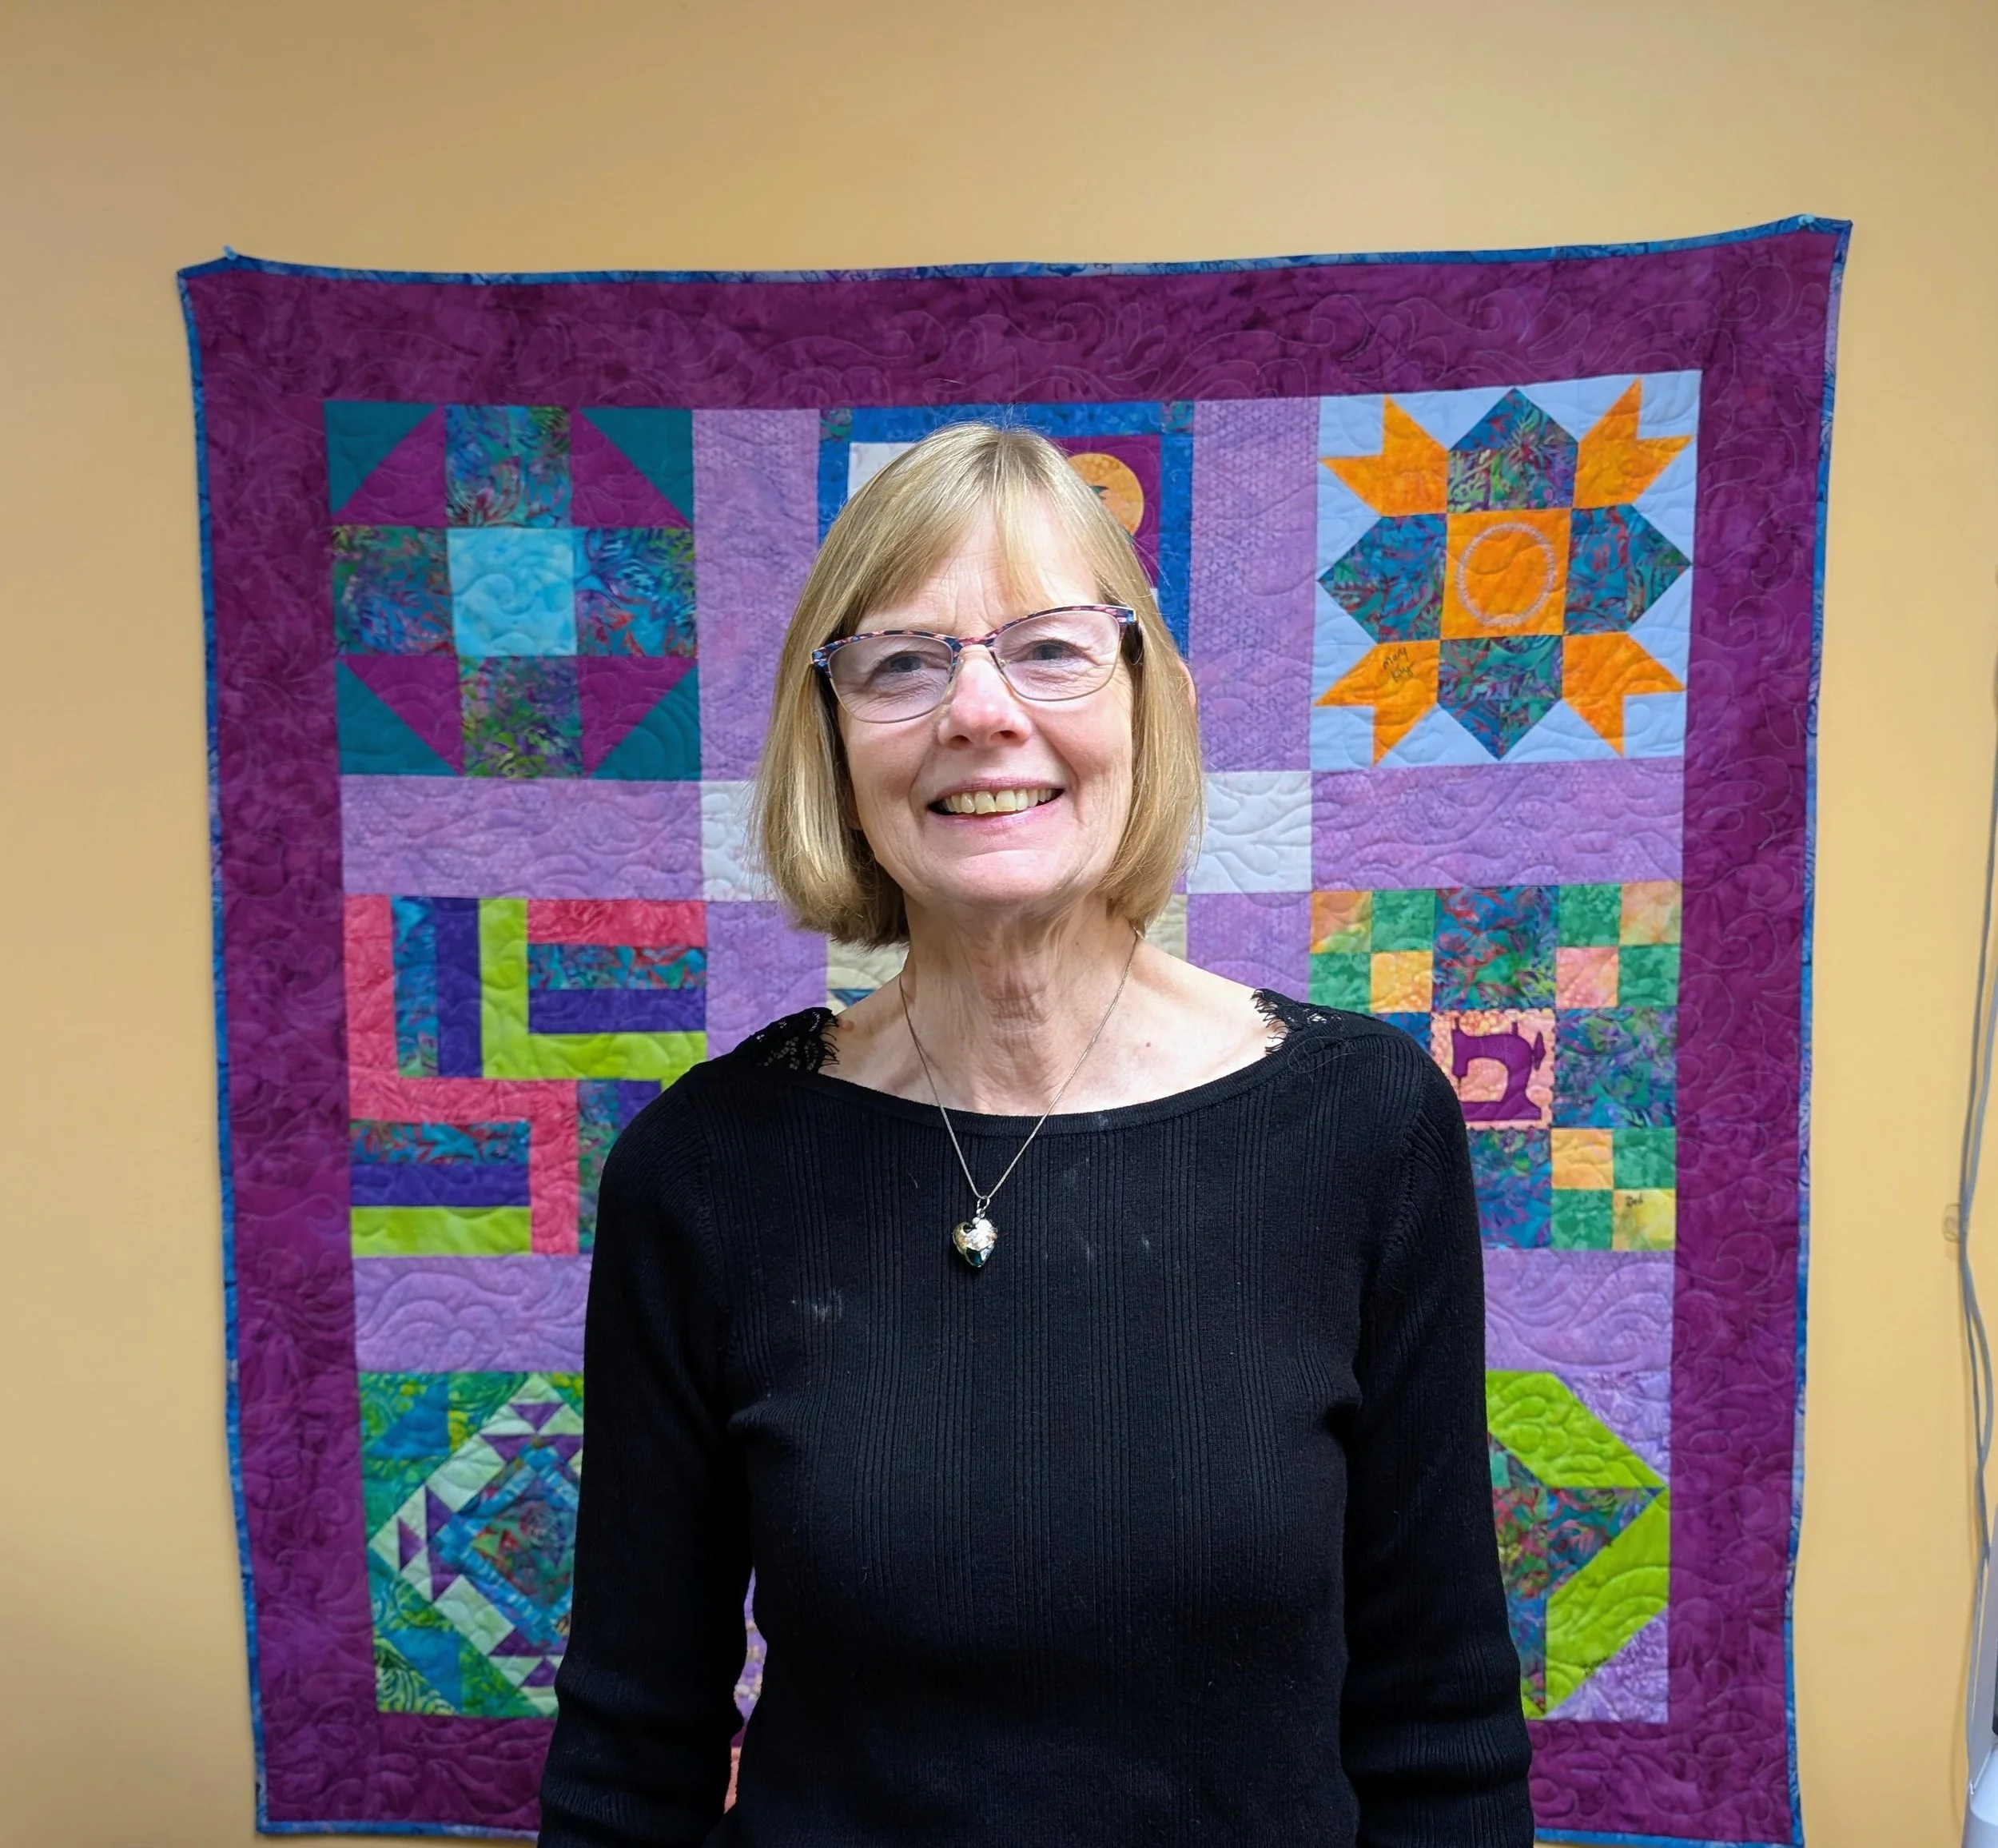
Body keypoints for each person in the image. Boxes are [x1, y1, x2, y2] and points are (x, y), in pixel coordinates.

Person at [537, 422, 1533, 1846]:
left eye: (1052, 649)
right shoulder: (700, 1172)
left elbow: (1440, 1728)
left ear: (1150, 704)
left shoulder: (1367, 1127)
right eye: (902, 664)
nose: (979, 712)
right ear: (833, 740)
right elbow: (631, 1750)